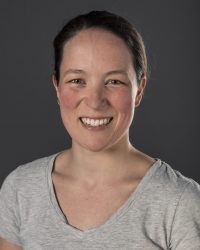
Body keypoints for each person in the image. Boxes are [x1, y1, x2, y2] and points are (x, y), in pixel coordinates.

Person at [0, 10, 200, 250]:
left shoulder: (180, 202)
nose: (95, 101)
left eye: (114, 81)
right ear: (56, 86)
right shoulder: (21, 189)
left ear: (139, 90)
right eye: (77, 81)